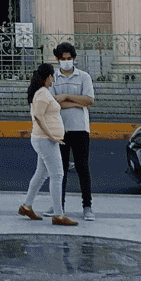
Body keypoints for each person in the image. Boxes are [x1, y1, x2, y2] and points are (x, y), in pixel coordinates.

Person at [18, 63, 78, 226]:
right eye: (52, 76)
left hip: (44, 139)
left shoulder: (43, 92)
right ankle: (58, 215)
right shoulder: (43, 94)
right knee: (57, 175)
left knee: (41, 174)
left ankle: (26, 206)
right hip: (45, 140)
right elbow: (38, 116)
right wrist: (51, 135)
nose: (54, 78)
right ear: (47, 77)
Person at [45, 42, 95, 221]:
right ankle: (59, 205)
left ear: (73, 58)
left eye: (69, 58)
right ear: (58, 59)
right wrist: (77, 102)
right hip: (60, 129)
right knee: (60, 170)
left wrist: (65, 97)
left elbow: (89, 100)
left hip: (80, 128)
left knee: (83, 168)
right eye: (63, 59)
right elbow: (51, 103)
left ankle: (87, 206)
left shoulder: (84, 77)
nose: (66, 61)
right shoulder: (53, 79)